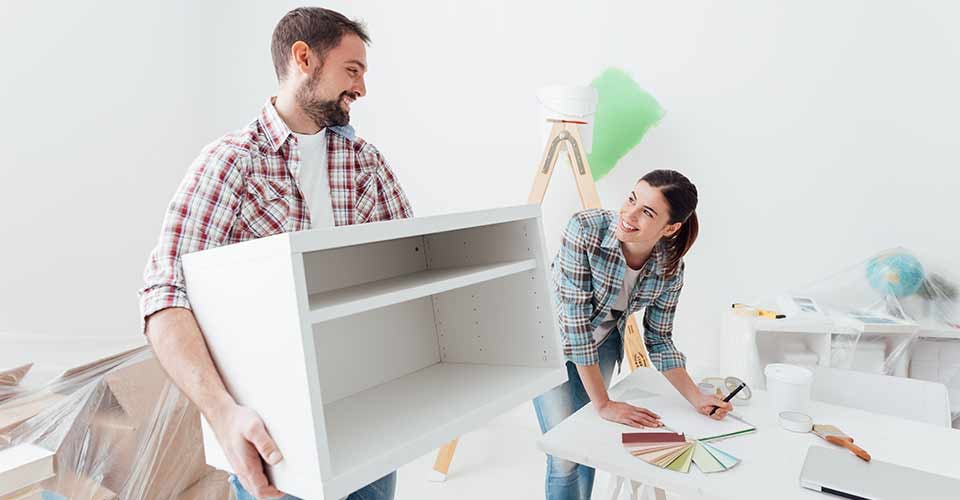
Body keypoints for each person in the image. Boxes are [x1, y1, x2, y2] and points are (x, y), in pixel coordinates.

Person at [138, 7, 411, 500]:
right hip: (280, 435)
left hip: (370, 413)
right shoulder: (230, 164)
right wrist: (222, 412)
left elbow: (412, 268)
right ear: (303, 58)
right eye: (352, 70)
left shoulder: (367, 164)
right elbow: (164, 293)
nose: (362, 89)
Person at [533, 169, 731, 500]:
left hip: (604, 344)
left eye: (647, 212)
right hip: (550, 342)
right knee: (565, 453)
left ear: (670, 228)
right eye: (631, 200)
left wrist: (696, 397)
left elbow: (659, 338)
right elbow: (575, 325)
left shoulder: (670, 267)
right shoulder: (585, 229)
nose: (629, 215)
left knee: (588, 443)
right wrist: (604, 403)